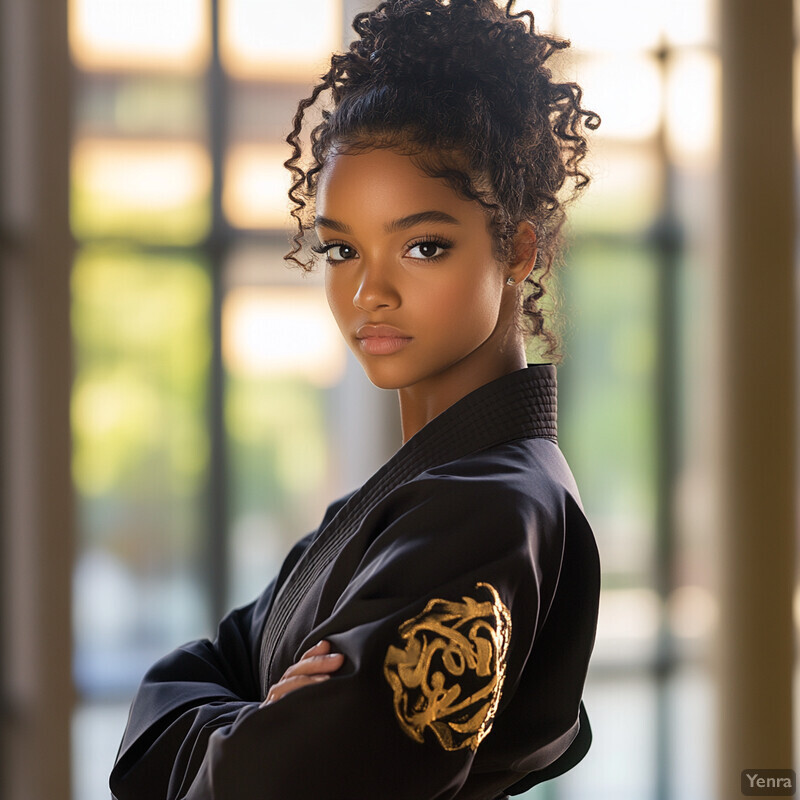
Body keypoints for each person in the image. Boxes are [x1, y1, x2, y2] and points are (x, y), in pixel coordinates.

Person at [109, 1, 602, 798]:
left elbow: (266, 782)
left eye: (422, 246)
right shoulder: (405, 501)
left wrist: (247, 725)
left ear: (518, 248)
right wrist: (249, 724)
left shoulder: (492, 511)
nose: (369, 291)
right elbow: (166, 697)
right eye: (341, 248)